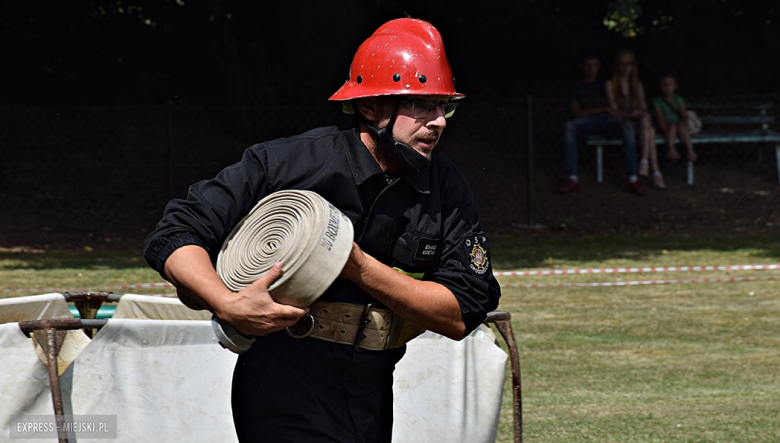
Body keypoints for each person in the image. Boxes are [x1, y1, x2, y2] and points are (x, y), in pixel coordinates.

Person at [143, 18, 501, 443]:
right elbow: (175, 233)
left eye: (445, 106)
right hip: (282, 382)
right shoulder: (286, 163)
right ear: (370, 107)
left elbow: (463, 310)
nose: (439, 121)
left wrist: (355, 266)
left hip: (371, 392)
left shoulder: (445, 185)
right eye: (422, 104)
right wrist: (228, 303)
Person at [561, 52, 645, 195]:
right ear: (581, 67)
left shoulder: (606, 84)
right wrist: (603, 109)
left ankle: (633, 178)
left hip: (609, 121)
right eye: (587, 66)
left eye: (594, 66)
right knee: (569, 126)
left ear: (599, 67)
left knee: (628, 126)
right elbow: (575, 112)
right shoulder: (575, 87)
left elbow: (616, 105)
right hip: (587, 122)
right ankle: (572, 178)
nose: (591, 69)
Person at [606, 49, 666, 189]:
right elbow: (614, 110)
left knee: (647, 122)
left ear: (633, 66)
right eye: (621, 64)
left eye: (628, 64)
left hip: (638, 122)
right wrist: (631, 113)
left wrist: (638, 112)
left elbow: (643, 107)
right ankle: (655, 172)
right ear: (616, 65)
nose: (625, 67)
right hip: (623, 123)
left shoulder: (637, 85)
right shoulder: (610, 84)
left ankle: (645, 161)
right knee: (650, 131)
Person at [653, 74, 697, 162]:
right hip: (667, 125)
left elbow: (684, 116)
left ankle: (690, 150)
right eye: (664, 85)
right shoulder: (658, 101)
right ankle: (671, 149)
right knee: (672, 126)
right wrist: (665, 129)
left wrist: (685, 126)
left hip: (678, 124)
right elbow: (659, 117)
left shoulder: (678, 99)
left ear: (675, 86)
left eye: (670, 85)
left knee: (680, 126)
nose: (667, 87)